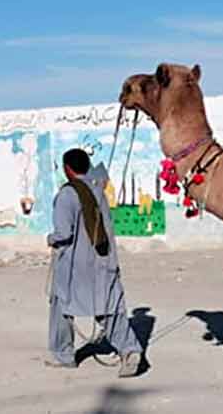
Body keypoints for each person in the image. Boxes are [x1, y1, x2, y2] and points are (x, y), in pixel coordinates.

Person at [46, 149, 143, 377]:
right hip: (103, 262)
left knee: (61, 307)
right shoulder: (99, 189)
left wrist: (50, 239)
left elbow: (63, 233)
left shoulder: (66, 195)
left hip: (73, 267)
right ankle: (130, 351)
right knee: (110, 308)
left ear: (67, 168)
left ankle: (64, 355)